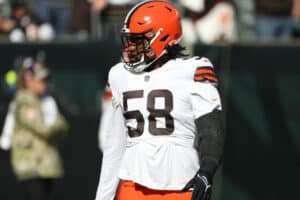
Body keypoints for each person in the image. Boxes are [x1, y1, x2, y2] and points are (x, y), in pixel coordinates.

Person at [95, 1, 224, 200]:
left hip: (181, 183)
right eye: (128, 40)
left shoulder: (193, 70)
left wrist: (206, 172)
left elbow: (211, 131)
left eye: (138, 40)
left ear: (162, 38)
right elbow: (115, 144)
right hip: (133, 184)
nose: (130, 47)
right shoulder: (119, 74)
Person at [11, 56, 68, 200]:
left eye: (45, 79)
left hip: (48, 166)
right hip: (32, 167)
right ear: (28, 80)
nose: (44, 83)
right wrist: (56, 126)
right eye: (40, 80)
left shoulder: (47, 100)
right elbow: (45, 129)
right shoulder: (24, 101)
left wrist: (55, 126)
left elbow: (63, 125)